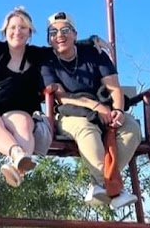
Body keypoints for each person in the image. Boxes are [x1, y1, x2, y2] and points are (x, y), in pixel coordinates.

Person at [0, 0, 106, 187]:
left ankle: (17, 170)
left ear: (30, 32)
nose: (18, 31)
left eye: (23, 27)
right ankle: (17, 155)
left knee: (24, 123)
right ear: (5, 30)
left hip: (17, 111)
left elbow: (63, 44)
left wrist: (91, 41)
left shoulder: (37, 56)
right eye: (13, 27)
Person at [40, 11, 141, 210]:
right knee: (86, 130)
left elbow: (114, 88)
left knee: (131, 128)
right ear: (49, 39)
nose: (59, 35)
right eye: (53, 32)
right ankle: (114, 188)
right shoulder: (46, 61)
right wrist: (96, 106)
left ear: (75, 34)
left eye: (65, 30)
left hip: (105, 108)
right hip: (71, 113)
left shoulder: (94, 53)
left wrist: (118, 111)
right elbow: (62, 97)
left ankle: (101, 185)